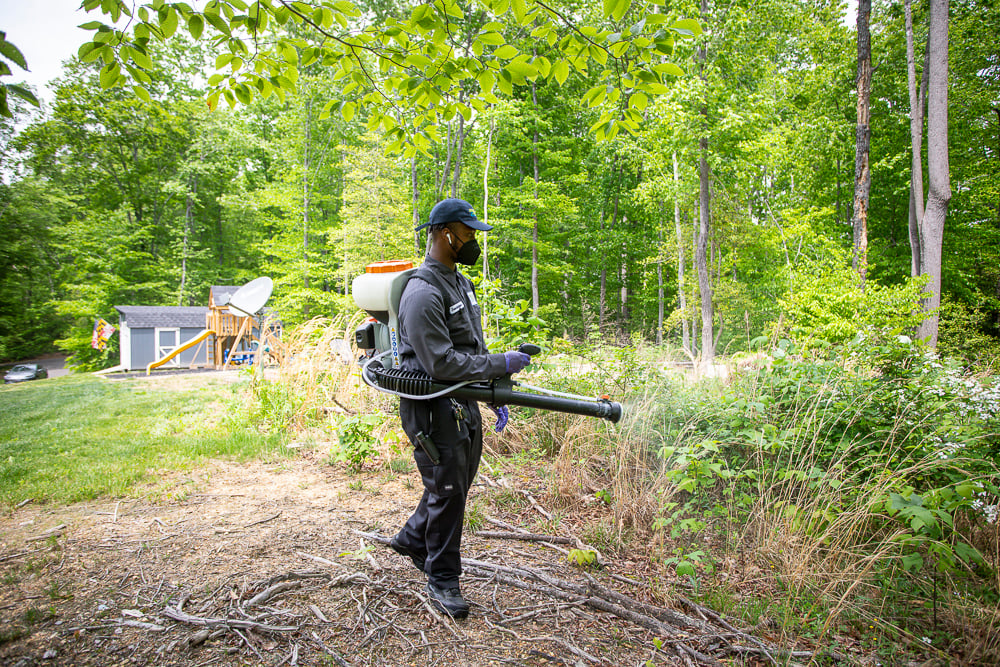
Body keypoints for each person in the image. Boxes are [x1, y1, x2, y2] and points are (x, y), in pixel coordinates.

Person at [390, 198, 531, 619]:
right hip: (432, 408)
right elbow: (442, 362)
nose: (473, 240)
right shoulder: (422, 293)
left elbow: (471, 346)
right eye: (467, 232)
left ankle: (413, 538)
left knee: (455, 484)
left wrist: (494, 387)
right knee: (448, 492)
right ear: (442, 233)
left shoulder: (461, 284)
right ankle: (443, 579)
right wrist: (498, 363)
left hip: (462, 403)